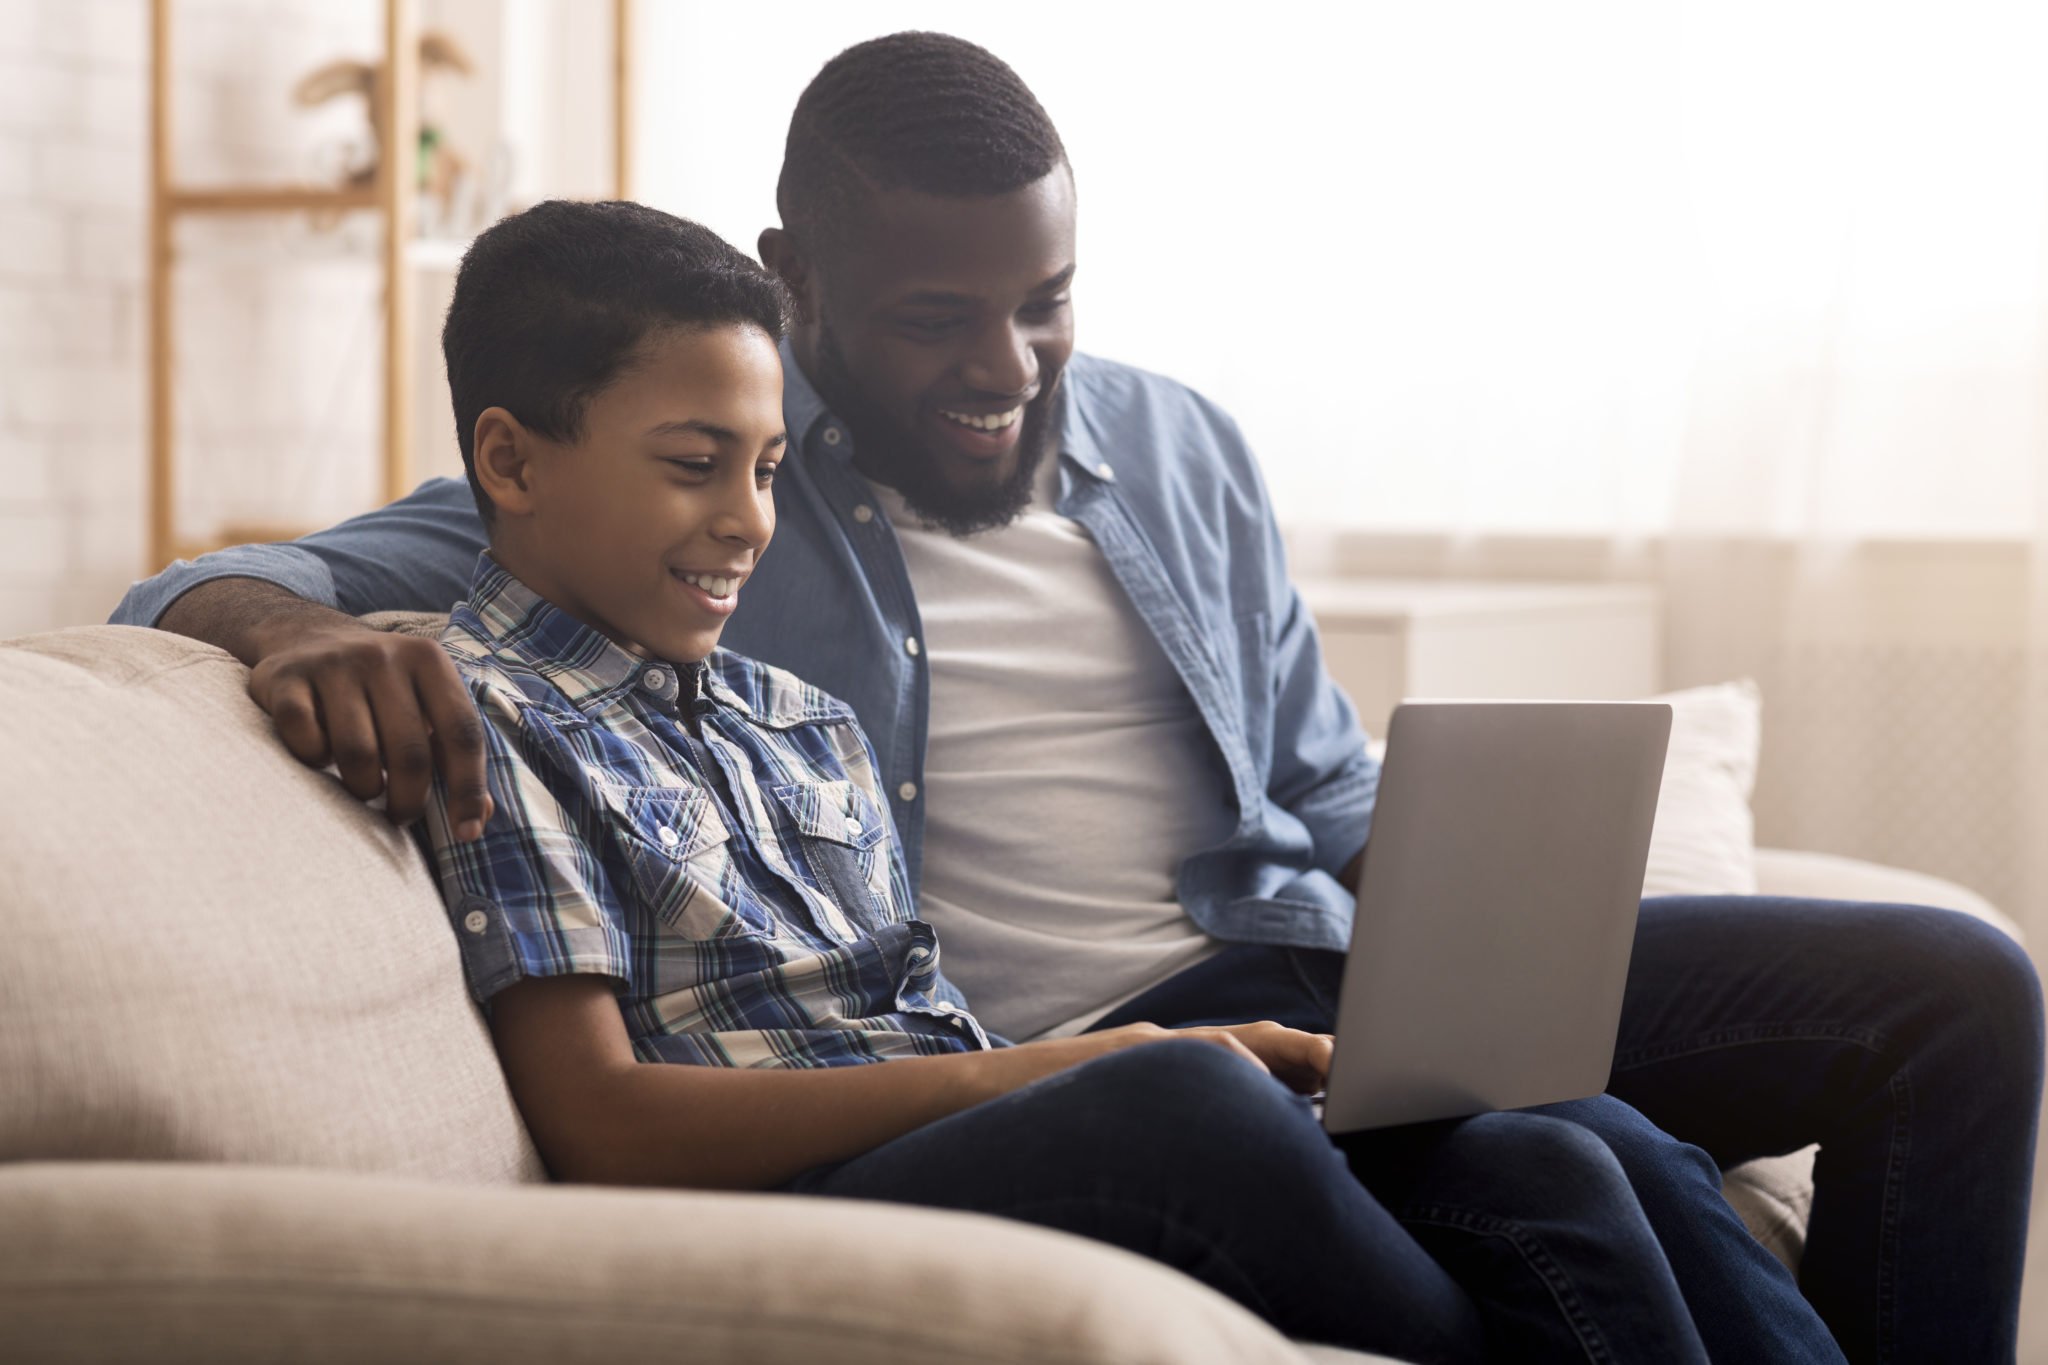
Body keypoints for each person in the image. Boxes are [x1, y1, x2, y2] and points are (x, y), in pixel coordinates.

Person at [112, 32, 2040, 1365]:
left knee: (1935, 999)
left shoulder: (1172, 449)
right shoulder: (684, 483)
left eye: (1043, 300)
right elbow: (242, 577)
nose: (1006, 366)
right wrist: (283, 637)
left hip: (1304, 958)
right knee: (1535, 1156)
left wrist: (1476, 919)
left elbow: (1313, 777)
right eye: (935, 318)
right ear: (799, 289)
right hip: (1076, 1037)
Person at [401, 194, 1729, 1364]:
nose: (749, 517)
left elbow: (932, 1024)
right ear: (511, 462)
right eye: (695, 465)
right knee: (1183, 1098)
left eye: (764, 467)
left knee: (1540, 1148)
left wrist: (1066, 1076)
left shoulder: (800, 720)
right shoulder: (486, 716)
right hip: (798, 1201)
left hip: (976, 1135)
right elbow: (603, 1123)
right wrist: (1071, 1073)